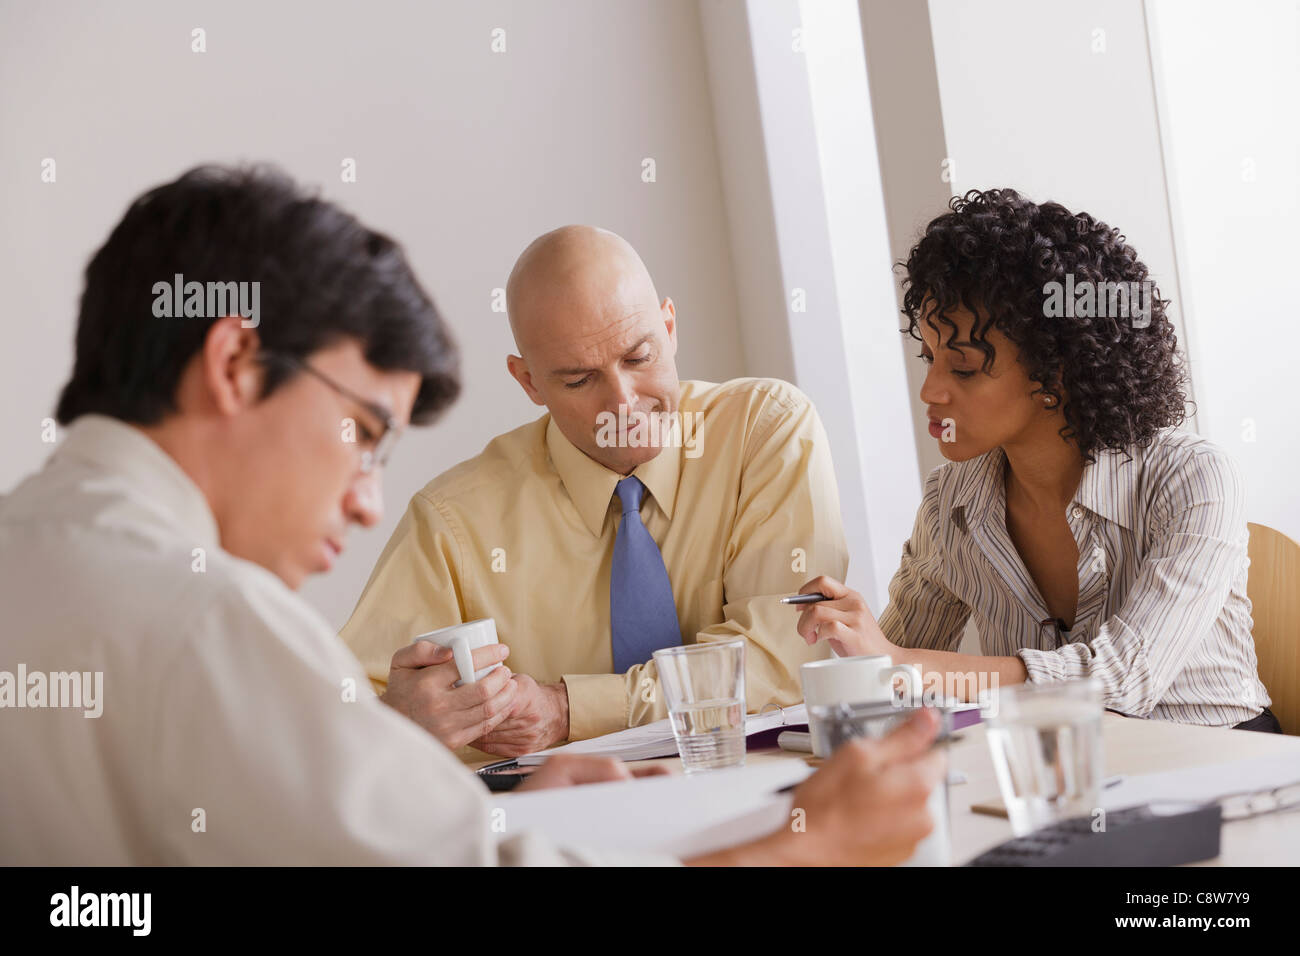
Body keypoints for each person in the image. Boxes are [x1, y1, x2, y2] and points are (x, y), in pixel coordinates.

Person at [0, 164, 944, 865]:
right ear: (236, 366)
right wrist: (811, 848)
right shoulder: (212, 622)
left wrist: (488, 813)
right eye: (364, 430)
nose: (367, 498)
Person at [341, 225, 849, 759]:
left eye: (638, 358)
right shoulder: (453, 521)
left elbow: (784, 661)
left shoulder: (765, 432)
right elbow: (335, 718)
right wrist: (399, 723)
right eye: (579, 380)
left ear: (670, 327)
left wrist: (568, 710)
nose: (624, 403)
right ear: (529, 383)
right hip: (550, 832)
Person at [794, 188, 1277, 733]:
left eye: (965, 367)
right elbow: (898, 675)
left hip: (1220, 765)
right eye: (929, 358)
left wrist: (898, 665)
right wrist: (855, 639)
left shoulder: (1192, 479)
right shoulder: (951, 501)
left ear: (1054, 374)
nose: (930, 390)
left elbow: (1121, 683)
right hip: (1054, 774)